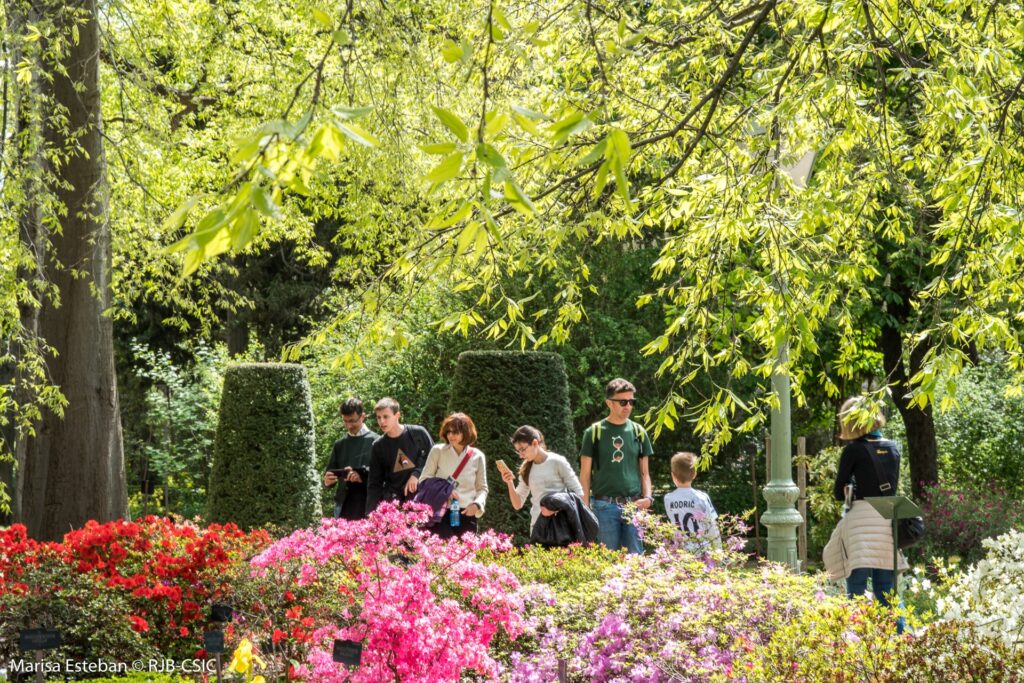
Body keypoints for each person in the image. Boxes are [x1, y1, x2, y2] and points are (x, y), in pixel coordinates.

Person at [824, 396, 908, 631]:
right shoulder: (893, 448)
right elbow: (889, 488)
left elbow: (839, 493)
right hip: (885, 523)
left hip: (859, 525)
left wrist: (852, 485)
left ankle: (858, 642)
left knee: (857, 591)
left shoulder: (853, 451)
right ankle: (902, 640)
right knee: (887, 591)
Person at [579, 378, 654, 554]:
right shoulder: (594, 432)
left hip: (633, 504)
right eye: (622, 402)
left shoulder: (638, 431)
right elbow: (585, 475)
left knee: (635, 559)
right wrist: (585, 509)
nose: (627, 406)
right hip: (604, 506)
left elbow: (645, 474)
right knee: (608, 559)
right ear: (609, 403)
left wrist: (648, 498)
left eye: (631, 401)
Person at [500, 425, 583, 535]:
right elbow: (517, 504)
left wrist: (554, 510)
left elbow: (578, 493)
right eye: (518, 451)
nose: (521, 455)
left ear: (535, 443)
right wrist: (509, 482)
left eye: (522, 450)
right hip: (538, 527)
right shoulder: (526, 469)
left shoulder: (557, 461)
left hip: (561, 527)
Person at [419, 412, 488, 538]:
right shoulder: (438, 451)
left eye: (455, 432)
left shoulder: (477, 456)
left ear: (466, 432)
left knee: (465, 555)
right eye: (448, 432)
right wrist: (445, 491)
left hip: (467, 513)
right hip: (440, 512)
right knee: (442, 554)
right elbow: (424, 480)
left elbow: (482, 488)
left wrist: (477, 505)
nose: (451, 435)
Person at [365, 397, 434, 513]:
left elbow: (434, 461)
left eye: (385, 416)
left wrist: (417, 474)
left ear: (397, 415)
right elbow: (374, 483)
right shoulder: (378, 446)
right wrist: (370, 513)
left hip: (422, 502)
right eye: (378, 417)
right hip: (394, 508)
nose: (381, 421)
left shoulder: (418, 434)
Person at [323, 397, 378, 520]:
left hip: (367, 504)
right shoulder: (339, 444)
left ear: (362, 416)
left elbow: (383, 477)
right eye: (345, 421)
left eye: (352, 421)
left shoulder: (377, 441)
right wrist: (327, 482)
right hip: (342, 505)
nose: (349, 425)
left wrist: (362, 477)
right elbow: (329, 474)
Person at [663, 452, 721, 553]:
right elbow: (712, 526)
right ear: (694, 474)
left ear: (673, 475)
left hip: (680, 551)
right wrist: (718, 550)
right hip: (701, 549)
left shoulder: (668, 499)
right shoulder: (702, 498)